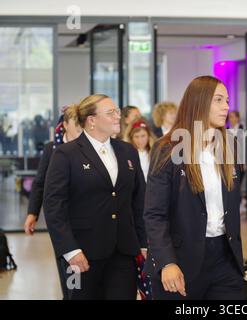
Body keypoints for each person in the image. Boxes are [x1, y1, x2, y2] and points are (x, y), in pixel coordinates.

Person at [144, 76, 243, 300]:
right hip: (180, 259)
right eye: (218, 100)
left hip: (225, 259)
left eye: (227, 100)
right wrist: (167, 262)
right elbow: (154, 214)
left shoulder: (230, 145)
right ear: (199, 102)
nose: (226, 106)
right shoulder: (168, 148)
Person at [43, 94, 147, 300]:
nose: (118, 116)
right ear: (91, 120)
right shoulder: (66, 154)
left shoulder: (127, 151)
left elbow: (139, 201)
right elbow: (54, 206)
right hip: (83, 253)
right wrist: (70, 250)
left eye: (117, 111)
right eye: (111, 113)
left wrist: (144, 242)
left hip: (124, 251)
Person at [23, 105, 82, 299]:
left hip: (86, 216)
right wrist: (32, 213)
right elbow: (40, 183)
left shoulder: (89, 147)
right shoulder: (52, 149)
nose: (81, 129)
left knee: (85, 269)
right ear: (65, 125)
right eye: (77, 124)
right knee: (70, 267)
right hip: (62, 219)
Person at [127, 118, 156, 182]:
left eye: (143, 136)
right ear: (131, 138)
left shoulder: (156, 153)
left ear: (149, 136)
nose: (140, 140)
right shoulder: (127, 154)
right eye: (136, 137)